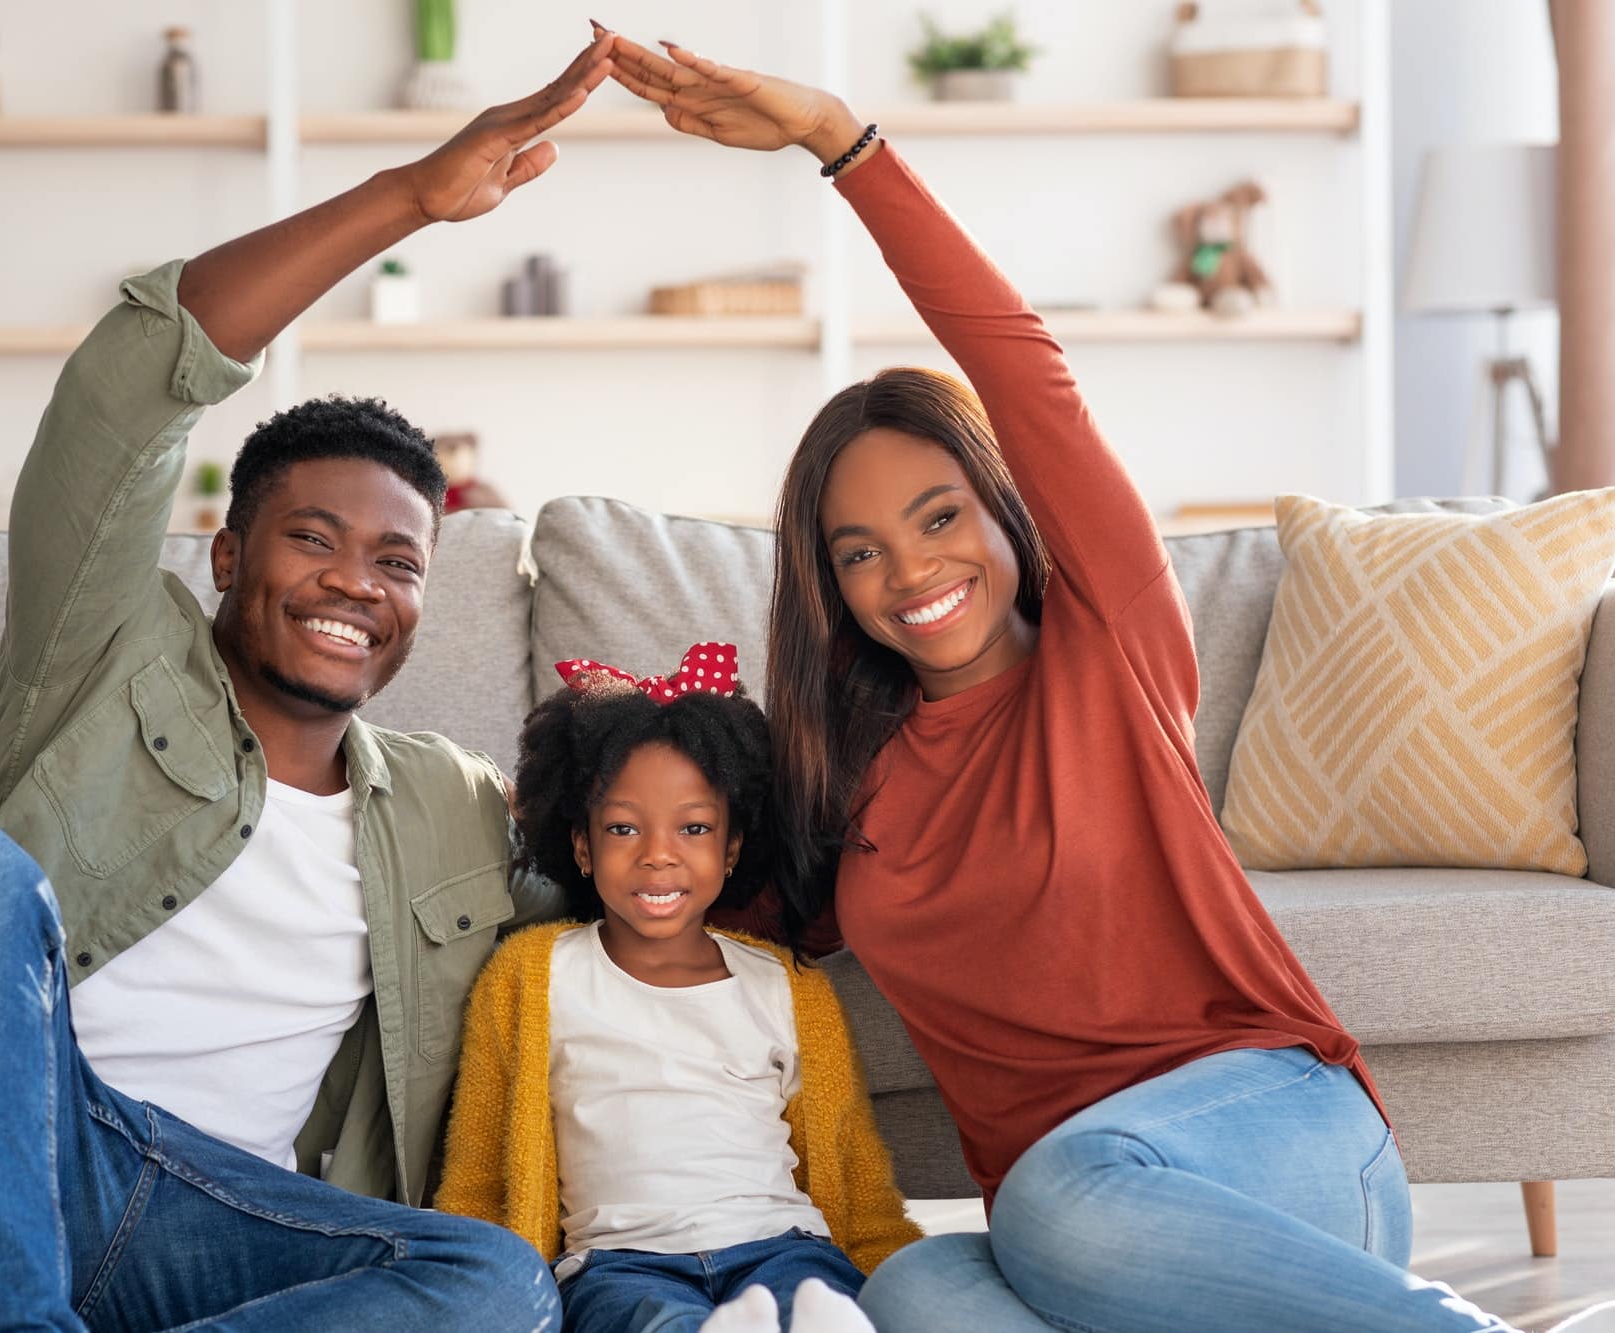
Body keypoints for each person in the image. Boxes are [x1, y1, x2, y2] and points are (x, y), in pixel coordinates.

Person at [601, 26, 1531, 1333]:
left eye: (937, 517)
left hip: (1273, 1146)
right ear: (831, 588)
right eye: (857, 551)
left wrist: (838, 141)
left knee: (1046, 1198)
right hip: (1094, 1248)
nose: (908, 570)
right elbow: (673, 889)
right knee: (917, 1283)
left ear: (1001, 508)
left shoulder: (1114, 646)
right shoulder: (846, 779)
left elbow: (1018, 363)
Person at [0, 35, 619, 1333]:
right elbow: (125, 385)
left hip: (223, 1228)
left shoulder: (452, 806)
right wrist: (407, 195)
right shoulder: (104, 652)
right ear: (228, 554)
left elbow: (648, 881)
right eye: (312, 538)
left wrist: (624, 752)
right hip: (3, 1189)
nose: (356, 581)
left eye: (397, 559)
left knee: (494, 1285)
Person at [435, 645, 920, 1333]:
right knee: (649, 1320)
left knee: (813, 1300)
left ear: (730, 849)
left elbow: (855, 1173)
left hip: (782, 1245)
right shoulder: (528, 975)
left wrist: (888, 1273)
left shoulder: (787, 986)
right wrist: (467, 1283)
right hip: (620, 1264)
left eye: (693, 827)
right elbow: (479, 1169)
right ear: (580, 846)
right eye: (624, 827)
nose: (658, 853)